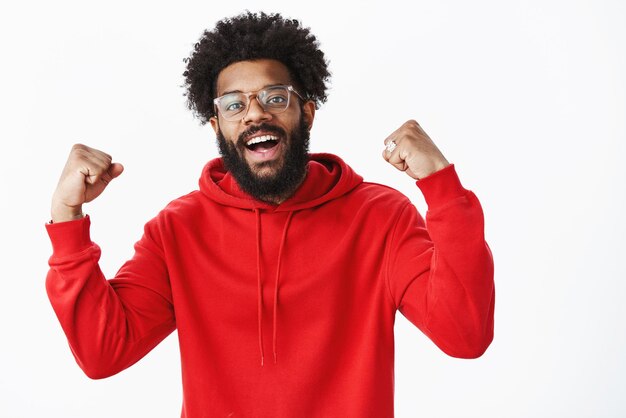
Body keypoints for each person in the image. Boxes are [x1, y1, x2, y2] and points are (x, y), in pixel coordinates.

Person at [45, 11, 495, 418]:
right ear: (216, 125)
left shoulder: (380, 217)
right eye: (234, 105)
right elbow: (103, 353)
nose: (255, 114)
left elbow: (465, 334)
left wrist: (441, 184)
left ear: (307, 111)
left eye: (275, 97)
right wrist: (67, 216)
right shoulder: (177, 230)